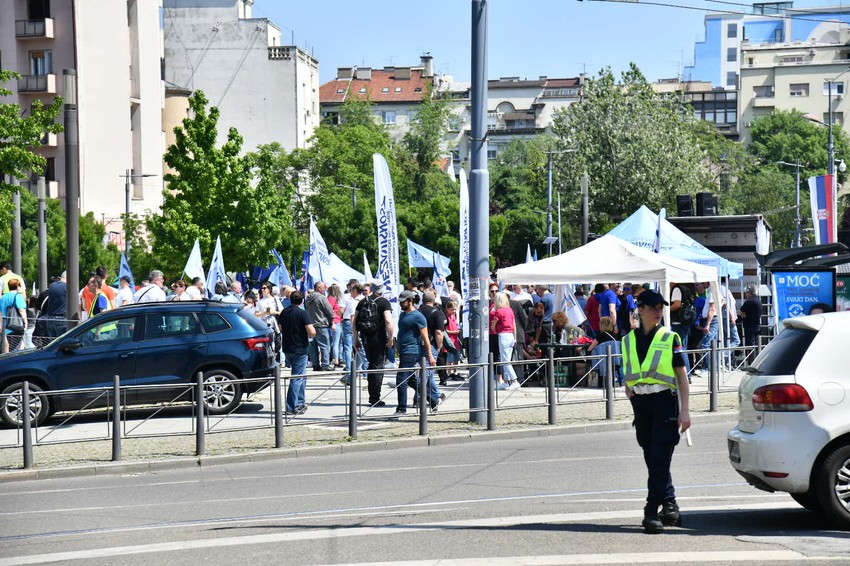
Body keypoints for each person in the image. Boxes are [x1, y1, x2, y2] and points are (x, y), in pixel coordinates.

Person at [622, 289, 690, 534]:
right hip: (641, 404)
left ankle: (651, 511)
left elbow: (682, 377)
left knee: (660, 457)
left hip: (664, 401)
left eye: (661, 307)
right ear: (640, 309)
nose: (658, 312)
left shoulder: (670, 338)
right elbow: (629, 369)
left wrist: (685, 411)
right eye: (653, 308)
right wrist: (628, 388)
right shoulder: (627, 339)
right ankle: (670, 505)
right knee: (652, 458)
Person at [394, 290, 437, 415]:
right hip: (403, 351)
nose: (401, 304)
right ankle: (433, 399)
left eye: (403, 301)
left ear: (410, 301)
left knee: (401, 379)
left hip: (412, 351)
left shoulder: (418, 316)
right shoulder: (403, 315)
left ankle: (401, 408)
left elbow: (425, 337)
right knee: (412, 380)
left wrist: (430, 355)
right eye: (400, 301)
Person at [353, 280, 393, 407]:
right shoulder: (383, 302)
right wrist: (391, 338)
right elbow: (388, 321)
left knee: (370, 365)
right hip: (379, 338)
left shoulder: (362, 301)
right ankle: (375, 397)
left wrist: (356, 339)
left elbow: (354, 322)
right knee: (377, 367)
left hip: (365, 338)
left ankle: (372, 395)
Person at [278, 291, 316, 415]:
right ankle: (291, 406)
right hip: (300, 347)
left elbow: (280, 328)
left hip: (288, 347)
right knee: (297, 377)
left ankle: (300, 402)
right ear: (302, 301)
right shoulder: (302, 313)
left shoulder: (284, 312)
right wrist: (312, 333)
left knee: (301, 376)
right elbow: (311, 331)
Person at [491, 291, 519, 390]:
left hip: (503, 335)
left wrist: (494, 329)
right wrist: (515, 337)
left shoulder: (499, 311)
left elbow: (493, 325)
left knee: (505, 360)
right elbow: (514, 324)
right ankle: (507, 381)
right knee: (506, 359)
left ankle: (514, 380)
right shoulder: (510, 310)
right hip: (511, 335)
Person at [305, 282, 334, 371]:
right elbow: (329, 311)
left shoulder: (308, 298)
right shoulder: (321, 298)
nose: (324, 289)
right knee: (325, 345)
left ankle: (315, 365)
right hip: (321, 325)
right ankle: (325, 364)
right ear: (318, 288)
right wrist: (331, 318)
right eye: (323, 287)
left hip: (310, 325)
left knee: (313, 347)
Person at [1, 279, 28, 351]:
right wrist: (26, 322)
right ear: (17, 286)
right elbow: (21, 310)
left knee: (6, 346)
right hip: (16, 325)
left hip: (5, 325)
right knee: (19, 345)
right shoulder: (18, 296)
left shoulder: (3, 297)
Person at [328, 283, 344, 368]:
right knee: (335, 342)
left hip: (337, 321)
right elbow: (330, 311)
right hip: (335, 321)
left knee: (337, 342)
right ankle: (336, 359)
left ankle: (336, 358)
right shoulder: (332, 298)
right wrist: (333, 323)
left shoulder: (335, 298)